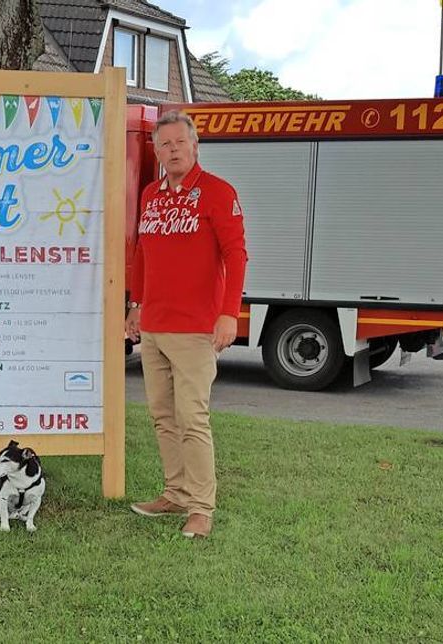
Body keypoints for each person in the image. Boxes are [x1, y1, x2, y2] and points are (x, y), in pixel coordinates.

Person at [126, 110, 247, 539]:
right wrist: (135, 304)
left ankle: (201, 508)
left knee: (192, 417)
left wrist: (229, 313)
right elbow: (142, 253)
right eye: (165, 144)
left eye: (180, 142)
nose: (173, 150)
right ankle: (174, 492)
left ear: (195, 146)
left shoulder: (216, 192)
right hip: (155, 326)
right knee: (162, 415)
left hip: (196, 329)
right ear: (156, 151)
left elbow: (236, 256)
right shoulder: (151, 196)